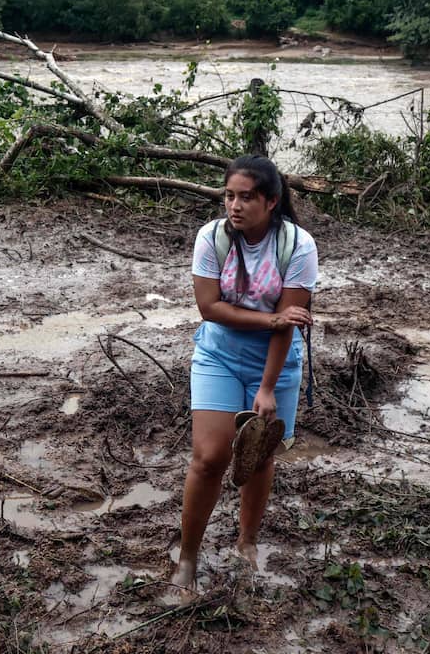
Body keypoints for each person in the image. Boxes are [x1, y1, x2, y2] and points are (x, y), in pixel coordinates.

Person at [172, 155, 318, 595]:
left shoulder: (297, 246)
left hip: (275, 361)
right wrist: (269, 319)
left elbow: (289, 321)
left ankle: (247, 544)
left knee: (258, 456)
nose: (234, 206)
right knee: (209, 456)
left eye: (246, 197)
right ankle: (188, 557)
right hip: (219, 353)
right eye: (229, 196)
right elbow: (209, 308)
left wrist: (268, 387)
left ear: (271, 201)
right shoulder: (211, 237)